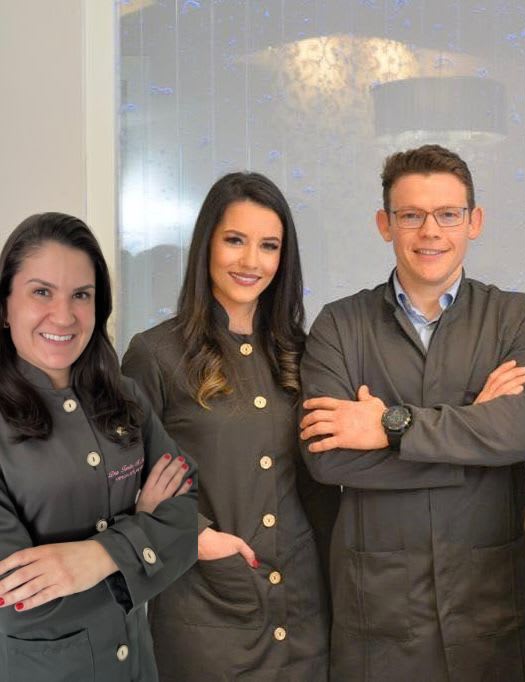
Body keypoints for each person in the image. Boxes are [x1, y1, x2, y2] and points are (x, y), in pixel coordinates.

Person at [298, 144, 525, 681]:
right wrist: (476, 436)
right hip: (382, 617)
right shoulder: (339, 326)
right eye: (411, 216)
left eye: (448, 214)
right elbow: (327, 458)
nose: (430, 232)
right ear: (384, 224)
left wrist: (389, 427)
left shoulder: (518, 318)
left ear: (474, 221)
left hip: (494, 605)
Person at [122, 172, 339, 680]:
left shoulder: (303, 353)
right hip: (205, 614)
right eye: (235, 240)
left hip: (304, 612)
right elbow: (120, 474)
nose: (251, 261)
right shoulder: (155, 354)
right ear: (207, 245)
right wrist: (195, 536)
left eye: (269, 246)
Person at [0, 213, 197, 681]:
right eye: (41, 292)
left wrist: (98, 557)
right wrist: (144, 534)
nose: (64, 316)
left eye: (81, 295)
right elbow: (16, 600)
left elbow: (187, 519)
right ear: (4, 306)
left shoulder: (125, 396)